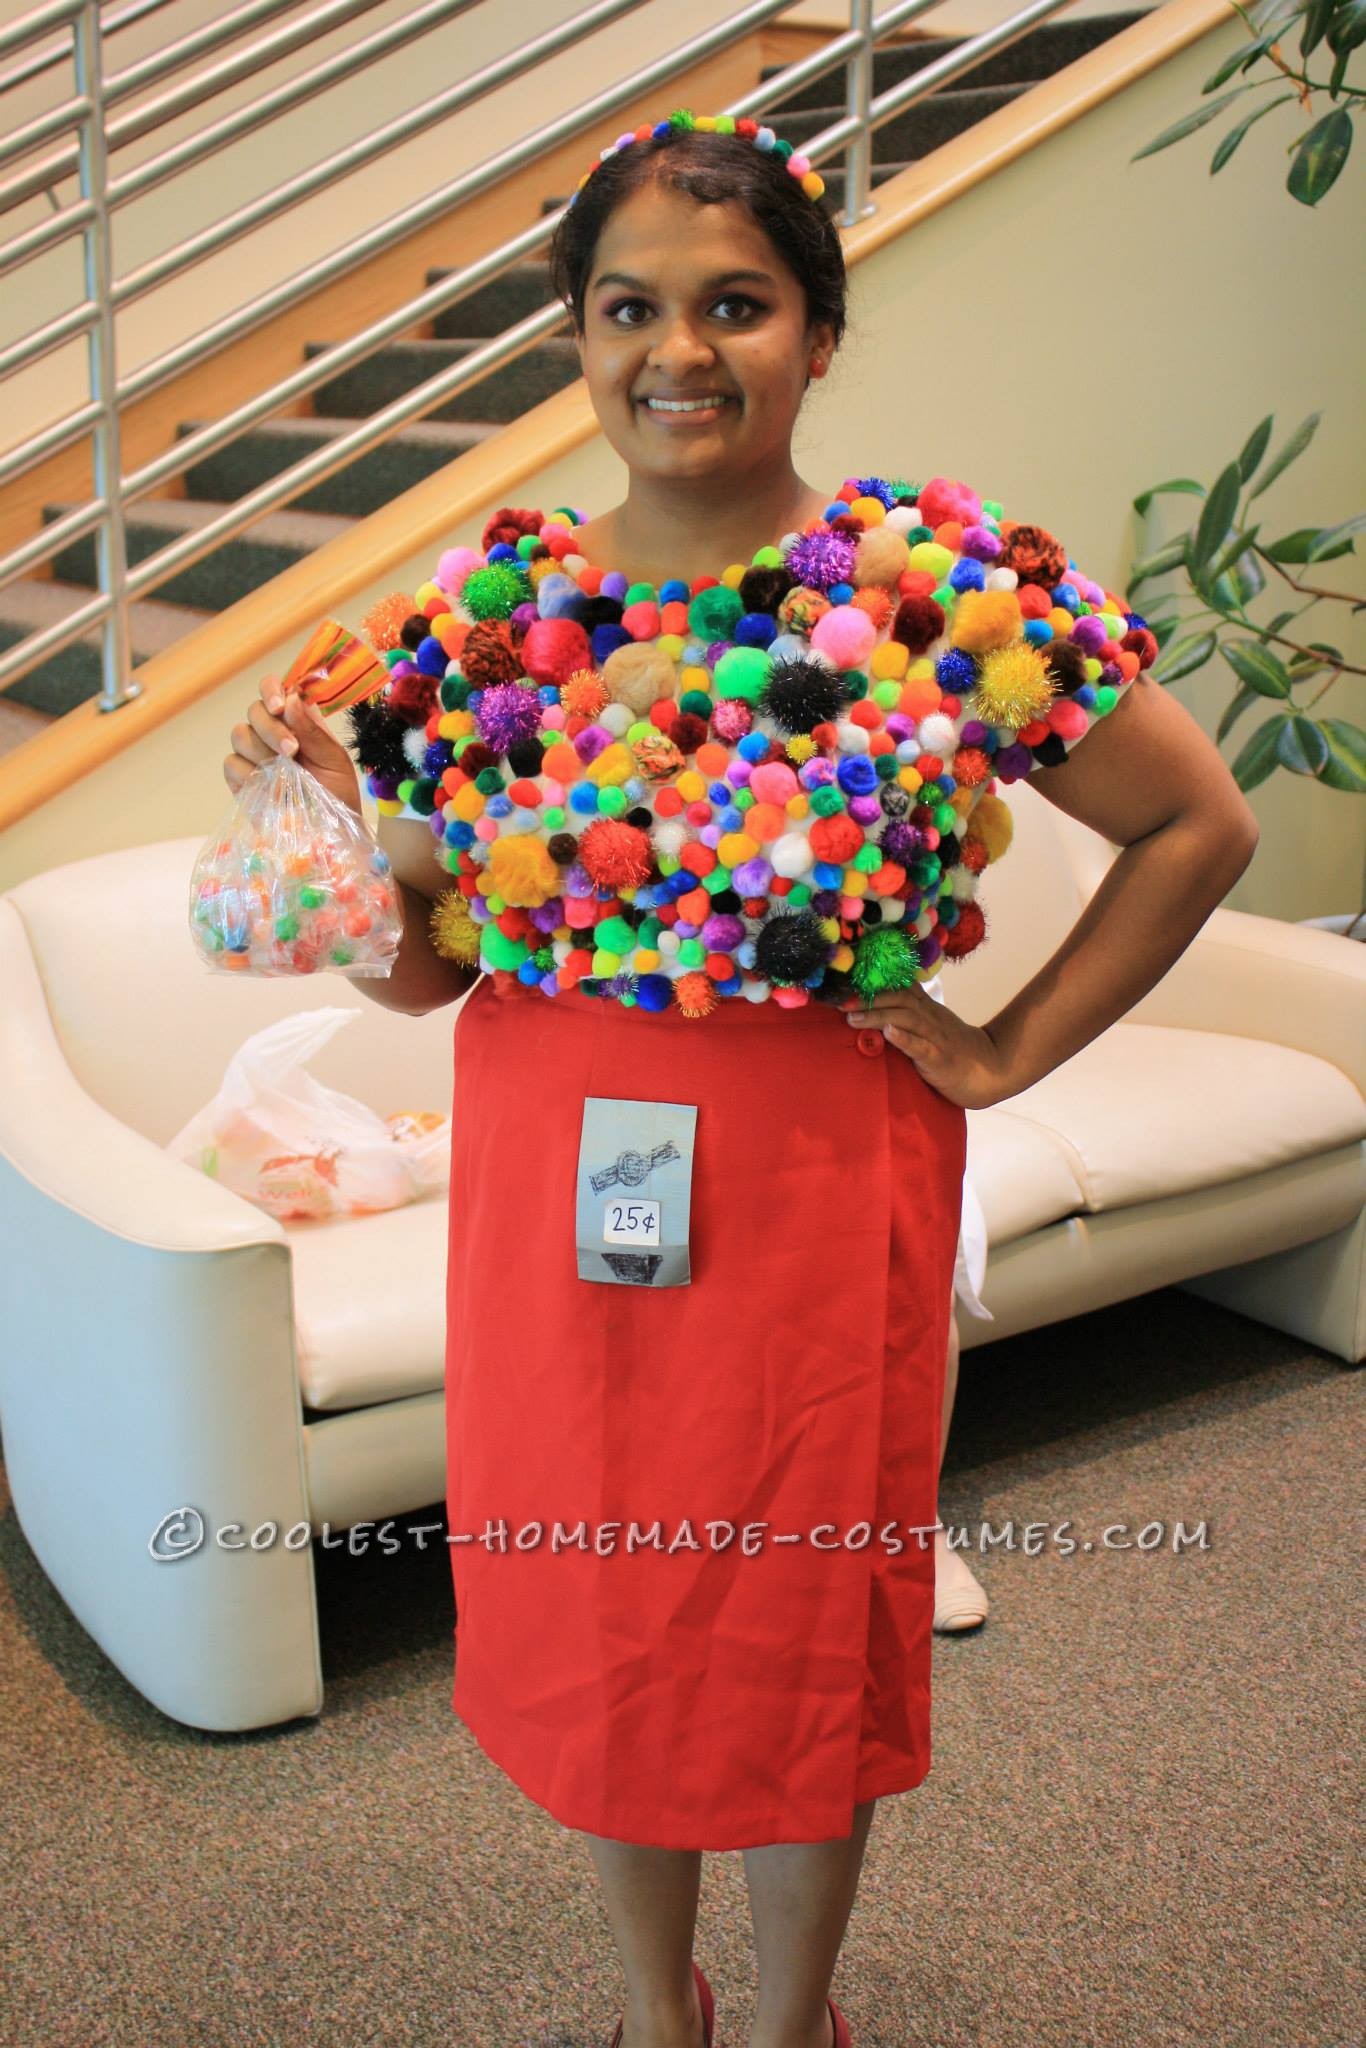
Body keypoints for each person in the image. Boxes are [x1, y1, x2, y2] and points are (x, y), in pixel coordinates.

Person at [223, 109, 1258, 2048]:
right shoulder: (475, 624)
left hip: (813, 1172)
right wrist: (340, 829)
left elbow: (1192, 825)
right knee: (601, 1609)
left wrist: (1007, 1043)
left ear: (816, 331)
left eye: (734, 305)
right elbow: (427, 966)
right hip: (553, 1179)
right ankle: (653, 2008)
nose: (677, 354)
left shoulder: (934, 585)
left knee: (786, 1611)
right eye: (629, 307)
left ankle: (788, 2020)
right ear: (577, 332)